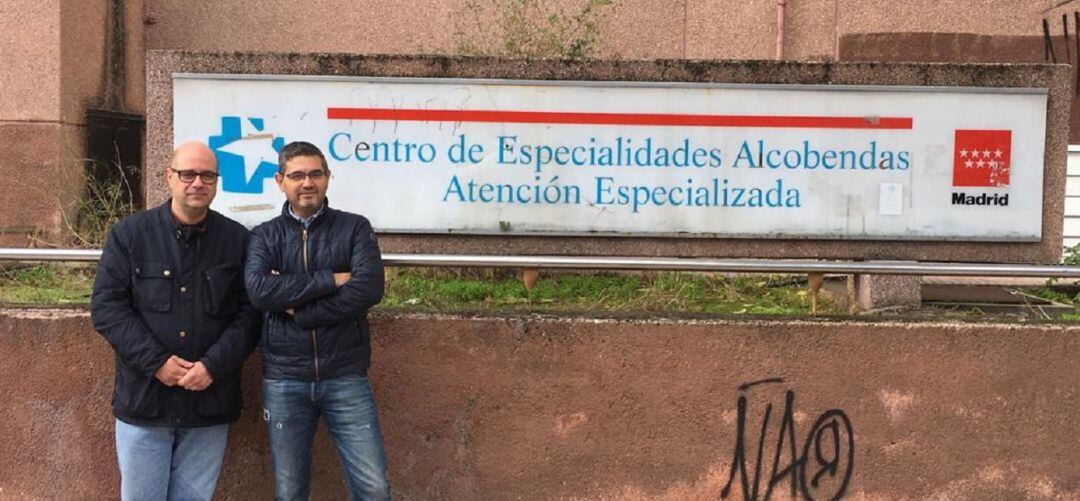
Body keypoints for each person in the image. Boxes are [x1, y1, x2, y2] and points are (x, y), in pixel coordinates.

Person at [91, 141, 260, 500]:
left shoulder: (238, 240)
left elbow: (250, 314)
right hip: (145, 401)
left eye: (207, 175)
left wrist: (214, 365)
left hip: (208, 402)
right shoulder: (130, 235)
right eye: (188, 174)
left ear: (216, 182)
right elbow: (108, 307)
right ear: (170, 177)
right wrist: (156, 363)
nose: (197, 182)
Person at [245, 141, 390, 500]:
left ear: (328, 178)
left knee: (374, 487)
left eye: (315, 174)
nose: (306, 182)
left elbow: (368, 288)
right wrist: (331, 279)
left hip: (346, 376)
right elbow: (261, 292)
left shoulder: (355, 229)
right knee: (290, 490)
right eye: (297, 175)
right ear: (280, 181)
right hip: (284, 380)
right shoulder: (264, 235)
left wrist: (301, 310)